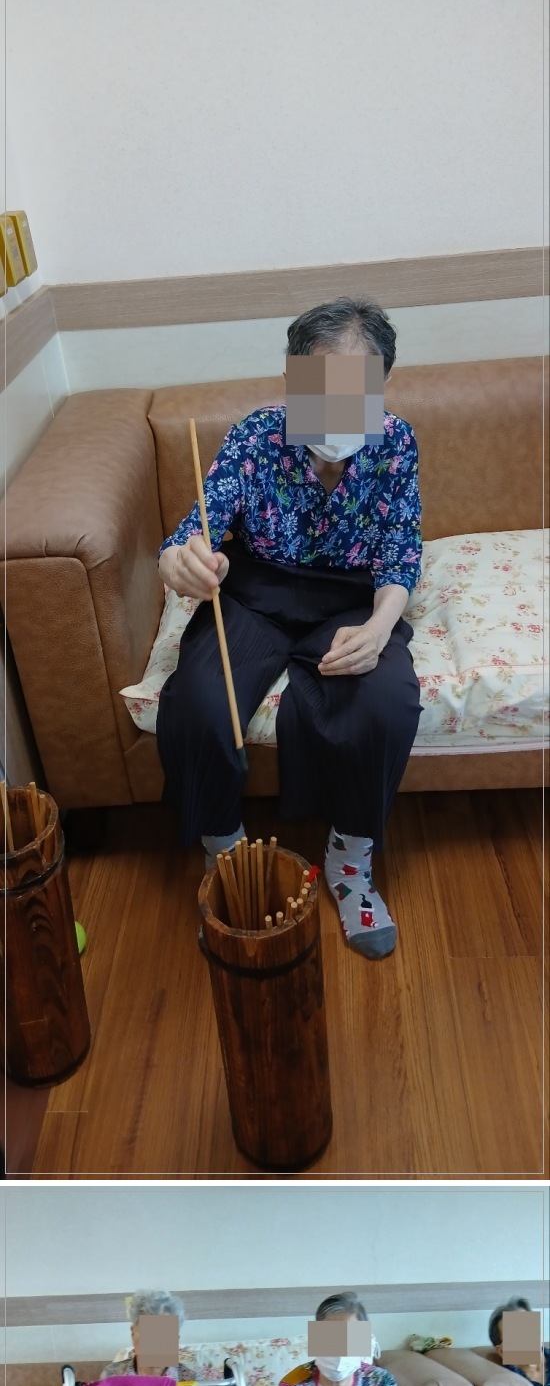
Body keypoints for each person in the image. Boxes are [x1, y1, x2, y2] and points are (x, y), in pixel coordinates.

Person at [154, 292, 423, 966]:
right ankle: (226, 853)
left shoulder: (396, 443)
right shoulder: (254, 435)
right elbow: (193, 533)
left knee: (386, 702)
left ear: (381, 386)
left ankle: (350, 859)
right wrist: (183, 561)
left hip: (349, 597)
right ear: (290, 382)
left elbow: (400, 553)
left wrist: (381, 626)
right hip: (258, 590)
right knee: (198, 702)